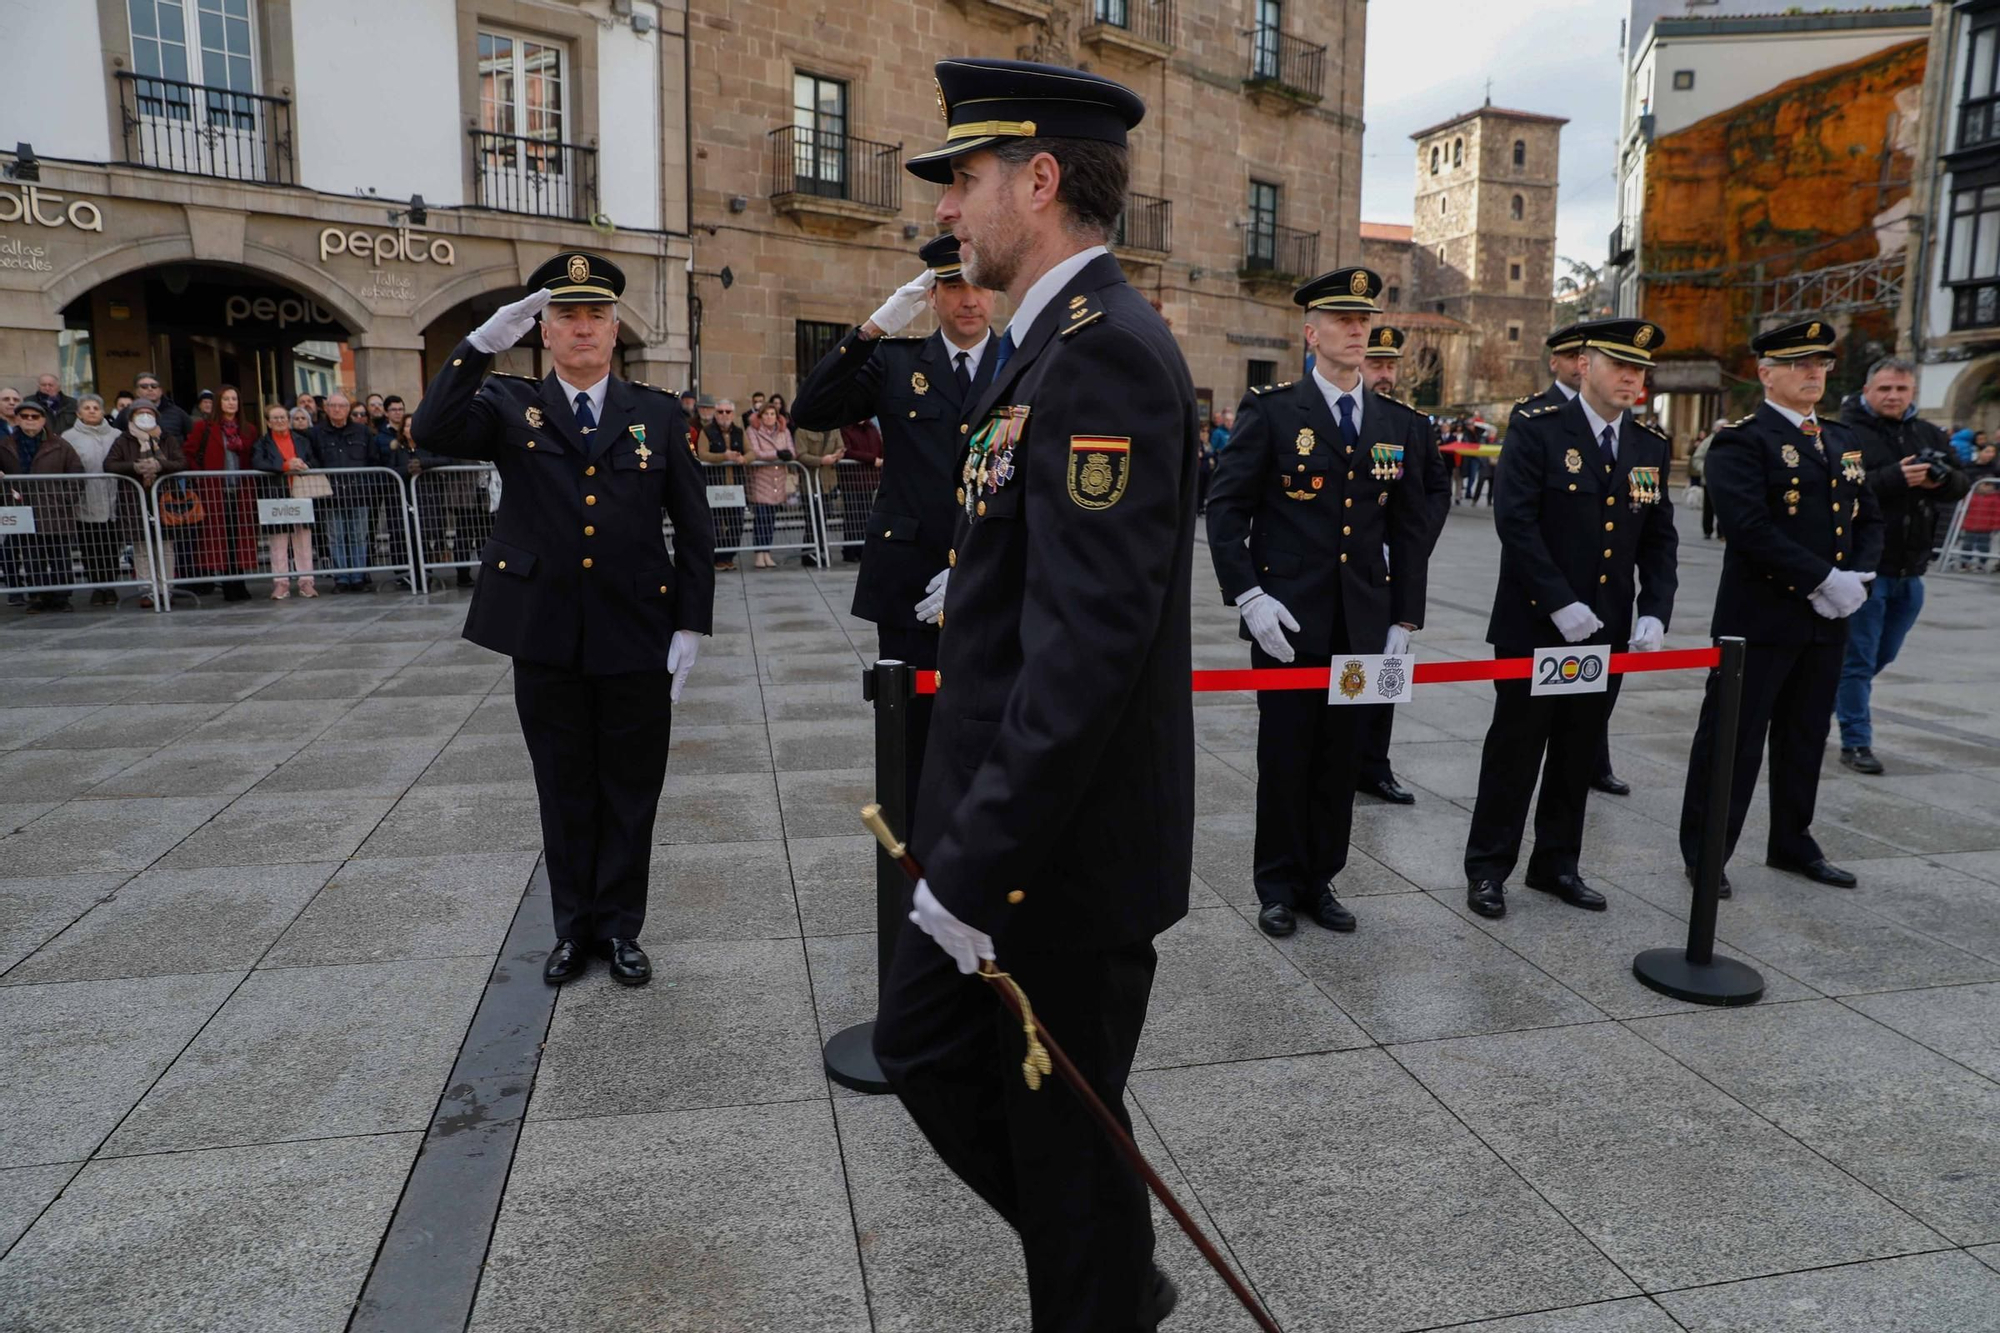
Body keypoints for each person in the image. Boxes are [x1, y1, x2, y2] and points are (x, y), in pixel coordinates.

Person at [871, 57, 1197, 1333]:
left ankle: (1101, 1288)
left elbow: (1087, 651)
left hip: (1058, 852)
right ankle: (1111, 1271)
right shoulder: (1044, 347)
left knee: (1058, 1141)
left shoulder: (1102, 352)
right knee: (929, 1058)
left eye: (964, 178)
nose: (950, 208)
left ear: (1040, 180)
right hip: (1011, 821)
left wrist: (972, 871)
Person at [411, 250, 715, 988]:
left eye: (596, 315)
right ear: (543, 330)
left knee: (631, 788)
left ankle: (620, 930)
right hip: (543, 627)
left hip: (637, 626)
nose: (583, 328)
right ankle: (572, 929)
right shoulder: (507, 404)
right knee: (563, 784)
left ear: (615, 329)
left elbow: (695, 525)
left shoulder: (657, 412)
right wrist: (478, 346)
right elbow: (430, 428)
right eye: (567, 315)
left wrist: (691, 623)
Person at [1208, 270, 1435, 938]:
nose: (1356, 329)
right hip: (1287, 620)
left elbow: (1409, 527)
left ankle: (1320, 878)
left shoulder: (1397, 422)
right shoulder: (1274, 410)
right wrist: (1249, 595)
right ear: (1311, 333)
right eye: (1340, 318)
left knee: (1340, 760)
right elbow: (1226, 509)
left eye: (1363, 319)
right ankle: (1276, 884)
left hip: (1361, 621)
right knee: (1285, 757)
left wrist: (1404, 616)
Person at [1460, 319, 1679, 919]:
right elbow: (1517, 522)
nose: (1632, 379)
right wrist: (1559, 600)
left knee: (1578, 750)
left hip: (1604, 627)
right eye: (1620, 367)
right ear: (1587, 367)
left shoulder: (1648, 445)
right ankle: (1488, 868)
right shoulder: (1538, 430)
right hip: (1536, 624)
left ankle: (1557, 863)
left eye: (1640, 370)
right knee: (1515, 749)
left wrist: (1656, 610)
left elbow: (1659, 540)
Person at [1679, 318, 1884, 893]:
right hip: (1761, 620)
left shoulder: (1842, 440)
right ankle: (1706, 853)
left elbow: (1868, 516)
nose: (1813, 372)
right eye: (1799, 364)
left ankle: (1793, 842)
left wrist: (1859, 576)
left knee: (1804, 738)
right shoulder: (1743, 441)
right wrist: (1823, 580)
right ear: (1766, 374)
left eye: (1820, 363)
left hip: (1827, 621)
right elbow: (1748, 527)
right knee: (1732, 742)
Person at [792, 231, 997, 801]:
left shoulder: (1023, 365)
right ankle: (909, 876)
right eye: (952, 285)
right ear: (931, 295)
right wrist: (872, 328)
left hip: (996, 579)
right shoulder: (896, 360)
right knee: (910, 743)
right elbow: (811, 410)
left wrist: (979, 563)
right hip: (910, 582)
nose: (968, 298)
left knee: (987, 739)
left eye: (978, 283)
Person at [1832, 358, 1968, 775]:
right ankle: (1856, 741)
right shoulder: (1847, 432)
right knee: (1858, 658)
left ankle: (1825, 694)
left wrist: (1939, 481)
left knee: (1882, 654)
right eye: (1885, 388)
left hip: (1912, 570)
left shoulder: (1926, 432)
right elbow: (1840, 490)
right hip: (1867, 568)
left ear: (1913, 393)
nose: (1893, 396)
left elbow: (1961, 483)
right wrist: (1895, 476)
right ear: (1868, 389)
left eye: (1902, 390)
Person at [1354, 324, 1452, 806]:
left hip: (1394, 569)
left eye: (1391, 365)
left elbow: (1435, 488)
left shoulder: (1410, 422)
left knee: (1387, 670)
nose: (1386, 374)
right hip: (1348, 565)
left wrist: (1414, 543)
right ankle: (1343, 757)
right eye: (1377, 364)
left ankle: (1375, 763)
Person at [0, 400, 85, 611]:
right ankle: (37, 596)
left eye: (34, 417)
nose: (30, 420)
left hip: (55, 509)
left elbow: (76, 473)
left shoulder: (60, 444)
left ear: (43, 420)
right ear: (17, 419)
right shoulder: (5, 445)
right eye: (25, 416)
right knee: (31, 557)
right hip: (23, 509)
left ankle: (61, 598)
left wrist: (67, 498)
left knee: (60, 557)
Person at [106, 402, 187, 608]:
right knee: (142, 547)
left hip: (164, 499)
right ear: (131, 417)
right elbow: (110, 464)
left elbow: (181, 462)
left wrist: (161, 465)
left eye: (149, 413)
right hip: (134, 500)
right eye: (140, 413)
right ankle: (147, 591)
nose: (145, 416)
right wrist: (134, 467)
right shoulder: (123, 440)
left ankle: (166, 588)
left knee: (166, 546)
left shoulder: (166, 438)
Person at [185, 384, 257, 601]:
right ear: (219, 403)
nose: (231, 403)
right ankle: (228, 583)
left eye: (234, 399)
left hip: (240, 491)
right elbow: (188, 453)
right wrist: (202, 477)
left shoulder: (248, 429)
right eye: (226, 399)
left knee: (239, 537)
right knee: (220, 537)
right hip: (215, 491)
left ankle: (240, 581)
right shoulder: (204, 428)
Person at [313, 391, 384, 591]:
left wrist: (369, 486)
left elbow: (373, 461)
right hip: (331, 496)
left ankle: (358, 577)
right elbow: (313, 459)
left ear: (348, 410)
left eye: (342, 406)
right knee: (336, 538)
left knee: (358, 537)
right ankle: (342, 578)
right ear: (326, 409)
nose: (337, 410)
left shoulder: (362, 432)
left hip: (359, 494)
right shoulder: (317, 433)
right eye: (333, 406)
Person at [250, 401, 321, 599]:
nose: (280, 421)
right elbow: (258, 462)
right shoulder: (262, 443)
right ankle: (281, 583)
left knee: (303, 540)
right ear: (268, 422)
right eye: (275, 418)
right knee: (278, 543)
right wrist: (284, 465)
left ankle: (306, 582)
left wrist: (305, 464)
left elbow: (315, 460)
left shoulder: (302, 440)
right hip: (276, 496)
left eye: (283, 417)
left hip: (301, 494)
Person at [62, 393, 124, 603]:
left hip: (113, 500)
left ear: (102, 411)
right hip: (85, 500)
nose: (91, 411)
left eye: (95, 408)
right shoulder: (69, 437)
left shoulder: (116, 434)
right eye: (86, 408)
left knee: (112, 547)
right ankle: (98, 587)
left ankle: (111, 586)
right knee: (90, 548)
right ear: (79, 413)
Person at [696, 398, 746, 569]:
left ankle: (728, 556)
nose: (724, 414)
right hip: (714, 486)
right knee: (715, 524)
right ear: (715, 414)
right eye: (720, 411)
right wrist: (724, 457)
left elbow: (752, 451)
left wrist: (743, 458)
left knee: (736, 522)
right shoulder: (707, 432)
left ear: (733, 414)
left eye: (727, 411)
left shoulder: (739, 431)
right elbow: (702, 454)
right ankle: (717, 558)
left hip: (735, 486)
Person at [744, 401, 793, 568]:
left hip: (777, 479)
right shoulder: (752, 431)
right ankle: (759, 553)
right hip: (760, 478)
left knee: (771, 519)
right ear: (760, 416)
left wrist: (786, 455)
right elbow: (756, 452)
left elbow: (791, 450)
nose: (769, 417)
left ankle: (767, 552)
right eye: (766, 414)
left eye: (772, 414)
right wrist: (777, 453)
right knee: (761, 518)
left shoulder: (783, 430)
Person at [791, 415, 844, 566]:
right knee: (812, 519)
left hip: (828, 482)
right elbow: (801, 454)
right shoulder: (802, 431)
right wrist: (821, 461)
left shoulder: (834, 429)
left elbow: (840, 445)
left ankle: (819, 549)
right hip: (811, 483)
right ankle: (809, 552)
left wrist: (838, 455)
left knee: (824, 517)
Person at [1690, 417, 1727, 540]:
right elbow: (1697, 458)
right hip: (1709, 480)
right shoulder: (1708, 442)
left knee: (1724, 507)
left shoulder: (1731, 441)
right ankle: (1707, 530)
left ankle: (1721, 532)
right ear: (1716, 429)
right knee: (1709, 507)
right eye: (1722, 427)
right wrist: (1705, 469)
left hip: (1725, 480)